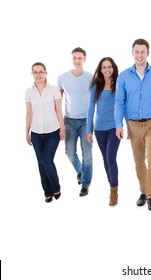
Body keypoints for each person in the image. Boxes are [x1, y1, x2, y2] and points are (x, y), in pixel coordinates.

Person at [114, 38, 151, 211]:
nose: (139, 55)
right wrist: (119, 124)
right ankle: (144, 192)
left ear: (148, 53)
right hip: (133, 124)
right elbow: (119, 102)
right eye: (136, 51)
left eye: (142, 51)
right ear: (132, 53)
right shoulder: (123, 76)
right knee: (139, 162)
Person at [25, 62, 65, 203]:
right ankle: (47, 192)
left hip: (52, 131)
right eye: (35, 72)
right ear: (32, 74)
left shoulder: (53, 90)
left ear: (46, 73)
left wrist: (62, 129)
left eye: (41, 71)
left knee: (47, 160)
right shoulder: (28, 92)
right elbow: (29, 113)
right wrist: (26, 132)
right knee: (41, 162)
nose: (38, 74)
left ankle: (56, 187)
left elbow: (59, 111)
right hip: (36, 133)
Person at [57, 47, 93, 197]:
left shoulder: (91, 77)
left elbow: (96, 100)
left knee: (88, 155)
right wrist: (60, 125)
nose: (77, 61)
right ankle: (80, 171)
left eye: (80, 58)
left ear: (84, 59)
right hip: (69, 121)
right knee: (70, 152)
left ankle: (85, 184)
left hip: (86, 121)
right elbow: (57, 103)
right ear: (71, 59)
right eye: (74, 58)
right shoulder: (62, 78)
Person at [87, 57, 120, 206]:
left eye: (109, 67)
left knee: (110, 156)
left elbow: (123, 106)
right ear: (100, 70)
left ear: (113, 68)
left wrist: (124, 125)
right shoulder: (96, 85)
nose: (107, 70)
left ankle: (114, 190)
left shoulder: (119, 83)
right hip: (99, 128)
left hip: (114, 127)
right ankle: (111, 183)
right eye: (104, 67)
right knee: (105, 159)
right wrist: (89, 130)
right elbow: (90, 108)